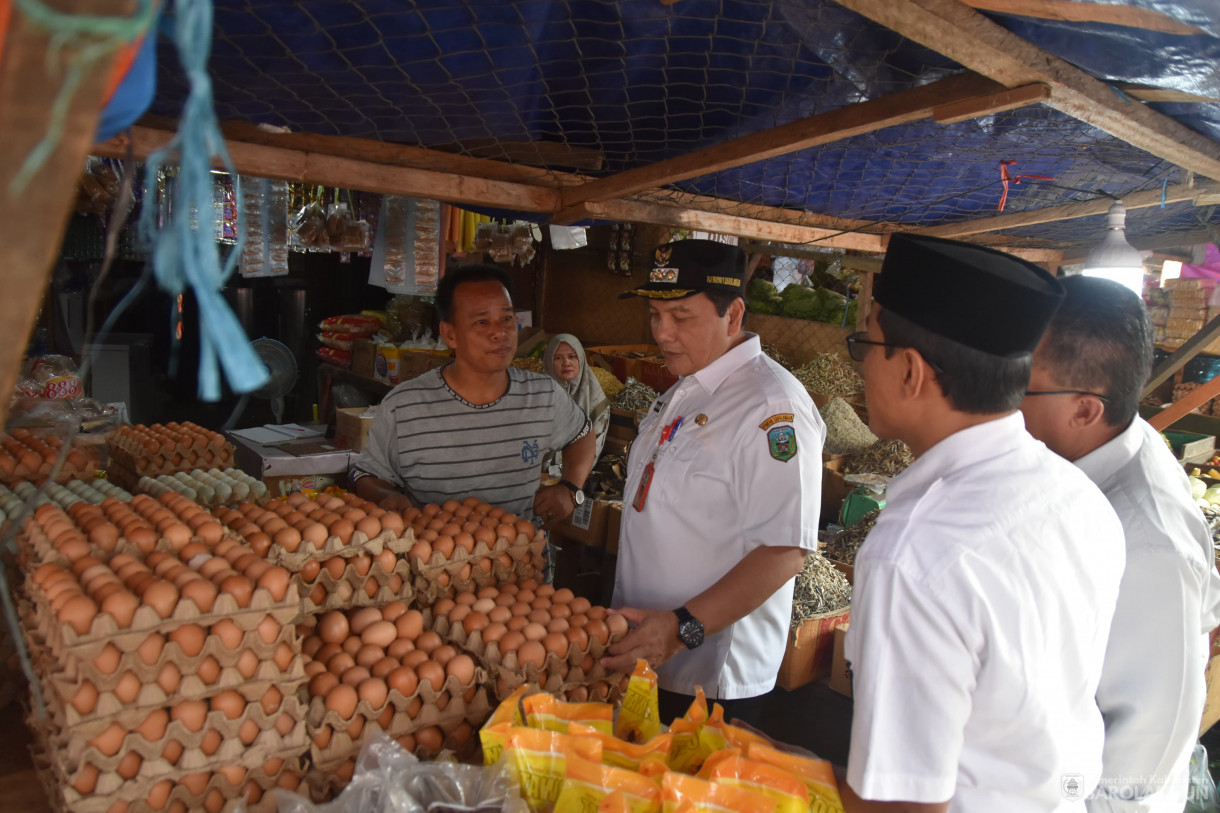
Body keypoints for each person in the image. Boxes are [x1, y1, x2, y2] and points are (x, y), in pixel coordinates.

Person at [842, 234, 1125, 812]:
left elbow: (902, 800)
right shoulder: (1077, 494)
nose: (863, 360)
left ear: (911, 372)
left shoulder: (914, 556)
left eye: (867, 341)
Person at [601, 239, 825, 727]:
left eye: (682, 317)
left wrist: (681, 630)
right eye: (656, 314)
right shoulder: (689, 384)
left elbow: (785, 549)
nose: (663, 332)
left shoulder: (770, 408)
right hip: (647, 654)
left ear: (734, 314)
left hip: (709, 678)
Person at [1019, 275, 1220, 812]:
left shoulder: (1148, 545)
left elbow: (1138, 761)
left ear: (1086, 409)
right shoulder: (1103, 448)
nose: (1002, 401)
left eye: (1020, 386)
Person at [350, 264, 596, 524]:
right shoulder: (404, 407)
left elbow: (582, 433)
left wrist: (571, 488)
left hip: (524, 562)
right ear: (450, 334)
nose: (500, 332)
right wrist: (386, 497)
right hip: (433, 560)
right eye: (481, 321)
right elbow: (366, 476)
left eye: (507, 319)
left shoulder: (543, 395)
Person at [541, 333, 610, 471]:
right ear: (549, 361)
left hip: (577, 477)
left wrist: (568, 479)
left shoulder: (595, 399)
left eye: (572, 356)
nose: (566, 362)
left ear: (581, 359)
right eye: (558, 357)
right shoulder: (537, 396)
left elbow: (593, 449)